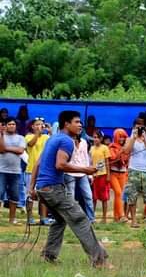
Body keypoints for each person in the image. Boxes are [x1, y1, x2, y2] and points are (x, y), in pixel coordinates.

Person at [29, 110, 109, 267]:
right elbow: (60, 164)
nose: (80, 125)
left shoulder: (53, 139)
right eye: (77, 122)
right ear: (66, 124)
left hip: (43, 189)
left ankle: (48, 256)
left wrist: (32, 188)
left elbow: (38, 163)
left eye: (80, 122)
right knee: (81, 220)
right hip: (53, 189)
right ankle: (99, 261)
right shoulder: (66, 141)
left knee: (59, 220)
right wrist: (86, 170)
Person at [123, 117, 146, 228]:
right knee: (132, 196)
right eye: (137, 126)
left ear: (145, 128)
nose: (139, 129)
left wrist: (144, 140)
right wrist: (134, 138)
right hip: (133, 170)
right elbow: (126, 151)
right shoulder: (129, 139)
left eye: (141, 127)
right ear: (134, 127)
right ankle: (133, 221)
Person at [0, 117, 26, 224]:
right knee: (0, 192)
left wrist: (6, 148)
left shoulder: (20, 138)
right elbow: (1, 149)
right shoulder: (1, 136)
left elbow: (20, 150)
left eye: (13, 124)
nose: (12, 126)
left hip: (15, 171)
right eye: (9, 124)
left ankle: (12, 219)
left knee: (14, 195)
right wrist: (1, 135)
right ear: (5, 126)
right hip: (1, 169)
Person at [25, 118, 50, 225]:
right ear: (33, 127)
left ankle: (43, 218)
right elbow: (30, 144)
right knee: (30, 194)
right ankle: (29, 218)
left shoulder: (46, 137)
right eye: (37, 124)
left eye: (41, 124)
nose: (40, 126)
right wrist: (37, 134)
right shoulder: (28, 136)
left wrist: (50, 131)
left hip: (44, 170)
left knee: (43, 195)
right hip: (31, 169)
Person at [64, 134, 95, 222]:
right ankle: (71, 219)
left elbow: (86, 158)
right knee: (71, 198)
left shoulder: (84, 142)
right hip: (69, 172)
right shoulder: (67, 142)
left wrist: (89, 174)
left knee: (88, 196)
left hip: (83, 173)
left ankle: (91, 219)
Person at [90, 131, 111, 223]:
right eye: (94, 137)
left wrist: (108, 175)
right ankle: (92, 216)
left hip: (103, 175)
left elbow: (107, 162)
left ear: (101, 139)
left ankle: (104, 217)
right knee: (93, 197)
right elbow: (90, 162)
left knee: (104, 198)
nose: (95, 139)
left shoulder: (105, 148)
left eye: (97, 137)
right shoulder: (91, 149)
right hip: (94, 175)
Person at [108, 129, 129, 223]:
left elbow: (127, 161)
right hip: (113, 173)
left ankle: (116, 217)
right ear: (116, 137)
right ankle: (121, 215)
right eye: (120, 136)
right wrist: (121, 152)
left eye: (123, 137)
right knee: (118, 192)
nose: (122, 138)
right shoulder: (111, 147)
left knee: (120, 195)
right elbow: (113, 159)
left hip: (123, 173)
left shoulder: (127, 147)